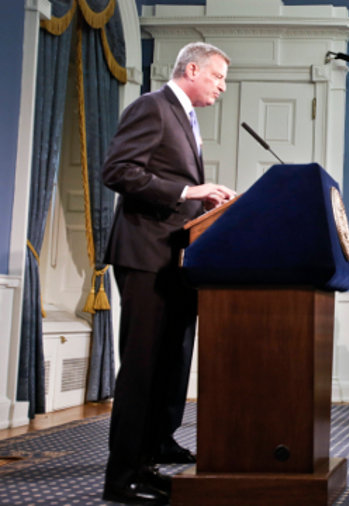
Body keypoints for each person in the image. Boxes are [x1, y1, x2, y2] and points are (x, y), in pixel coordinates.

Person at [101, 42, 237, 504]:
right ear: (192, 69)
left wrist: (205, 199)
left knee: (164, 368)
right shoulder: (152, 108)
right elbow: (119, 171)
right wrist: (189, 189)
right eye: (218, 77)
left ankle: (145, 465)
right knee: (141, 369)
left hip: (173, 260)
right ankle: (119, 480)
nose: (222, 86)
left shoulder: (185, 117)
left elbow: (171, 186)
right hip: (143, 257)